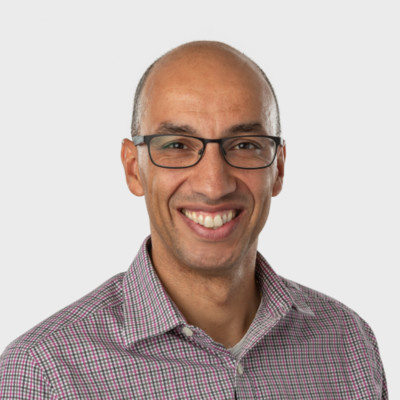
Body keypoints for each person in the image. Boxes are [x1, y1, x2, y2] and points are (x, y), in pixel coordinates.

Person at [0, 41, 387, 399]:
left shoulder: (348, 344)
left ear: (278, 169)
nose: (213, 185)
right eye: (177, 145)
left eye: (245, 145)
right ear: (134, 169)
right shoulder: (43, 373)